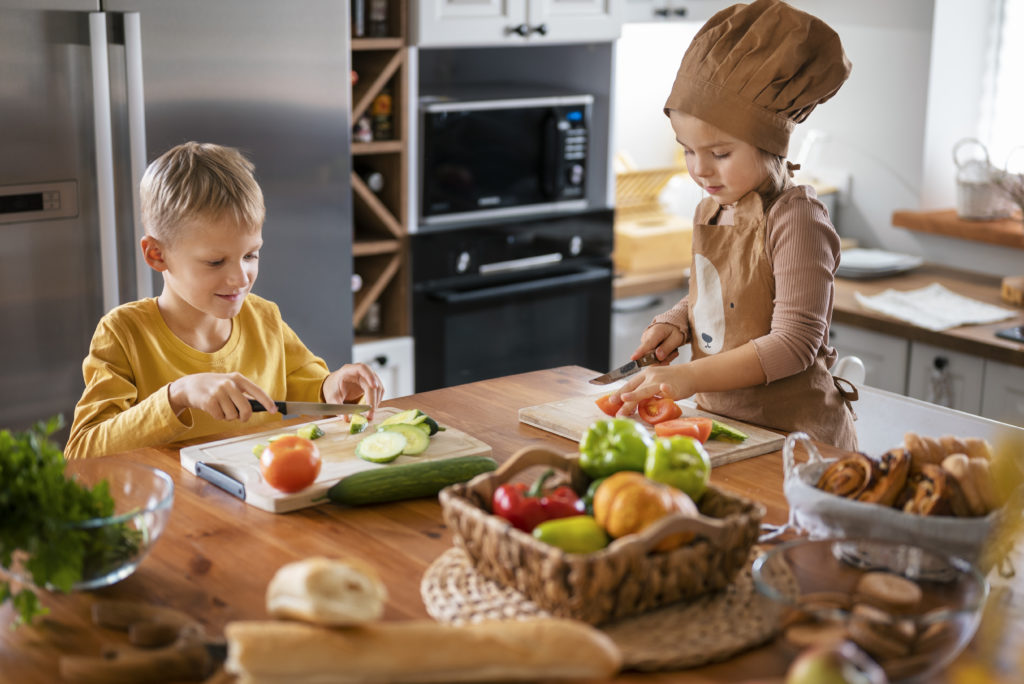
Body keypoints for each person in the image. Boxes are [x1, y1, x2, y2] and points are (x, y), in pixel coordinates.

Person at [610, 0, 859, 450]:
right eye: (687, 150)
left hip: (797, 442)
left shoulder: (796, 219)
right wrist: (677, 322)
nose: (700, 170)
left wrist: (686, 376)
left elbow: (794, 342)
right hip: (729, 432)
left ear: (770, 146)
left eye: (720, 153)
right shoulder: (711, 208)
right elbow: (721, 296)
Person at [66, 142, 384, 459]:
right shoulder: (123, 333)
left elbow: (314, 390)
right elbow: (83, 450)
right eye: (216, 262)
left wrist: (338, 387)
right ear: (156, 254)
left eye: (250, 255)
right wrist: (178, 396)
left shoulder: (264, 318)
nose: (241, 277)